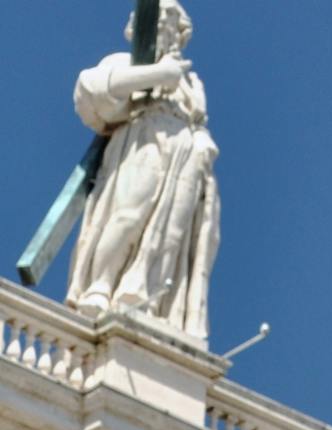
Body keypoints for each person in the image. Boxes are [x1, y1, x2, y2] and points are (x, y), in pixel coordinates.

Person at [67, 0, 220, 343]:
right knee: (129, 215)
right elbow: (91, 89)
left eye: (172, 26)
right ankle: (101, 286)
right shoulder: (126, 62)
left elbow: (198, 120)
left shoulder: (191, 82)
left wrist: (201, 140)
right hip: (144, 138)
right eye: (159, 24)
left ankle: (145, 300)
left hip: (185, 153)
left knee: (173, 232)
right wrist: (157, 75)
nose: (165, 31)